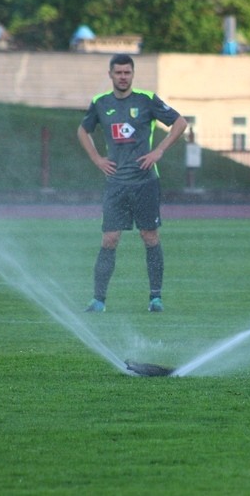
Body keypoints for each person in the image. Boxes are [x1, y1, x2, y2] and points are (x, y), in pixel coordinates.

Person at [77, 53, 188, 313]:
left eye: (127, 72)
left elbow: (180, 123)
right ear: (111, 75)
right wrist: (97, 159)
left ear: (133, 74)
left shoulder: (146, 100)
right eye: (119, 72)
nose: (123, 77)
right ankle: (99, 300)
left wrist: (158, 151)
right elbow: (83, 130)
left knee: (149, 236)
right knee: (110, 239)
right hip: (116, 183)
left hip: (145, 182)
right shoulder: (100, 103)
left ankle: (155, 298)